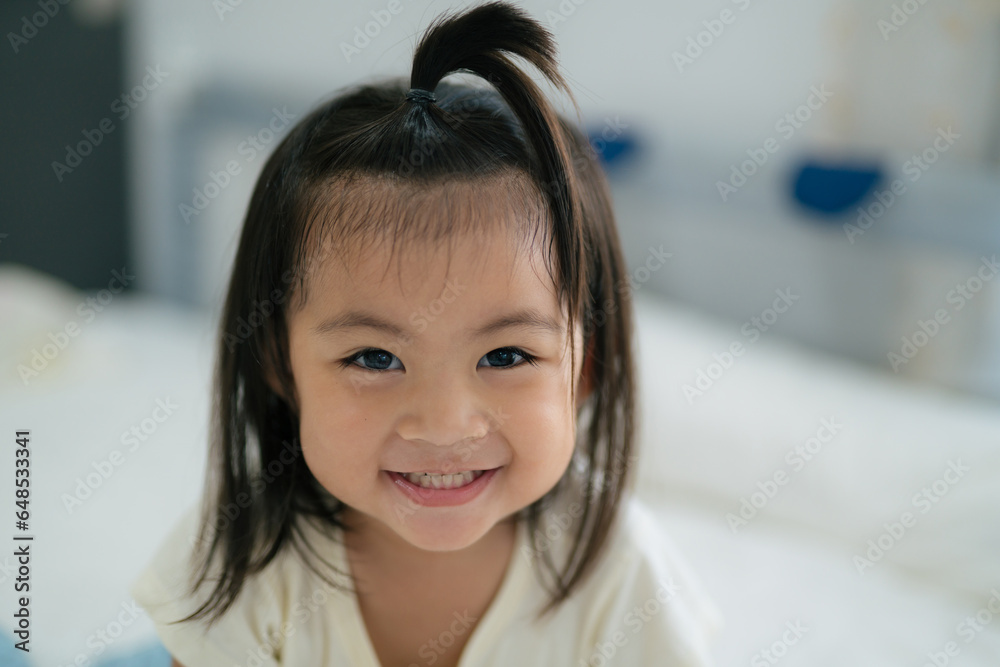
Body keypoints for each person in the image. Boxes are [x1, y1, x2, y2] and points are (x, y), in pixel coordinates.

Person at [129, 2, 722, 665]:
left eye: (505, 354)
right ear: (279, 362)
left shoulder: (620, 572)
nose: (443, 425)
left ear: (586, 368)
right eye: (374, 357)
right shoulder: (246, 551)